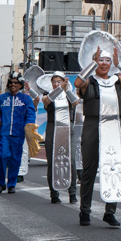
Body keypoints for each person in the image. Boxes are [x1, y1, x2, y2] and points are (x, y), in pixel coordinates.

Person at [75, 44, 121, 227]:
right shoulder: (90, 81)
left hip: (112, 126)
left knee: (114, 167)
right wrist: (91, 65)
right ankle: (84, 211)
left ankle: (110, 211)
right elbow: (78, 84)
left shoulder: (116, 80)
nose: (104, 64)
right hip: (92, 125)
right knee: (89, 170)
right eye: (101, 60)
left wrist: (120, 65)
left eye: (107, 61)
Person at [0, 72, 36, 194]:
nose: (13, 84)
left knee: (15, 159)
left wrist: (29, 126)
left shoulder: (26, 99)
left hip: (18, 133)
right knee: (2, 156)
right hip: (3, 133)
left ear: (20, 85)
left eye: (16, 82)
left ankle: (11, 184)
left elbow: (31, 114)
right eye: (11, 82)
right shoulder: (1, 98)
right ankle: (1, 183)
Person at [42, 72, 80, 204]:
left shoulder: (68, 95)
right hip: (53, 127)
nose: (56, 84)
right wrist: (59, 89)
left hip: (68, 128)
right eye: (54, 82)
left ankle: (73, 193)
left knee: (72, 161)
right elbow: (47, 102)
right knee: (53, 161)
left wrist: (66, 89)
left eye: (59, 81)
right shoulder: (47, 95)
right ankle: (54, 193)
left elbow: (75, 102)